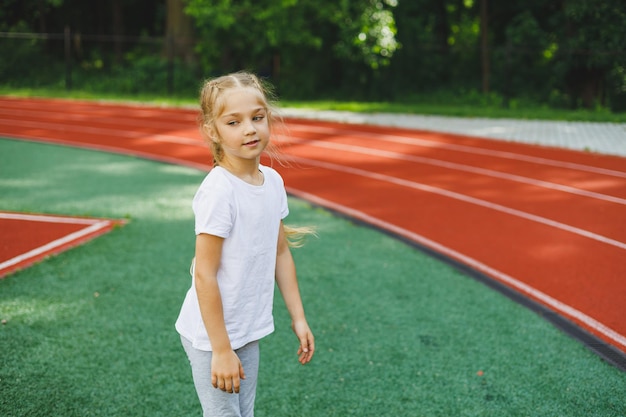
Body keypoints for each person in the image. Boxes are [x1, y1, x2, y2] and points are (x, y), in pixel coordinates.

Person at [175, 71, 315, 417]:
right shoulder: (219, 191)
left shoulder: (274, 182)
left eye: (257, 117)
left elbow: (281, 253)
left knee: (243, 413)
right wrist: (221, 349)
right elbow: (204, 275)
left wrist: (298, 318)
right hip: (212, 336)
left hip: (247, 329)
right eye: (234, 122)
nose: (250, 129)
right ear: (213, 131)